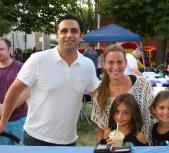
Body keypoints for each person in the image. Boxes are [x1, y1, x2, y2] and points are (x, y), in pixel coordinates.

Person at [0, 15, 99, 146]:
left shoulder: (87, 65)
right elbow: (14, 91)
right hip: (36, 138)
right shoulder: (38, 59)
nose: (69, 35)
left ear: (81, 36)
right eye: (64, 31)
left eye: (74, 31)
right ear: (57, 36)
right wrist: (3, 123)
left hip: (68, 140)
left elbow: (97, 95)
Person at [91, 44, 169, 145]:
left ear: (126, 63)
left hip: (142, 143)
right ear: (104, 64)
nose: (115, 67)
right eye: (110, 62)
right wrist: (99, 146)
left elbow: (154, 109)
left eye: (119, 62)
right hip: (114, 145)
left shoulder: (141, 84)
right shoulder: (100, 93)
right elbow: (101, 127)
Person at [0, 38, 28, 145]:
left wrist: (5, 108)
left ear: (10, 50)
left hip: (18, 120)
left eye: (1, 49)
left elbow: (25, 93)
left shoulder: (22, 68)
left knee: (19, 148)